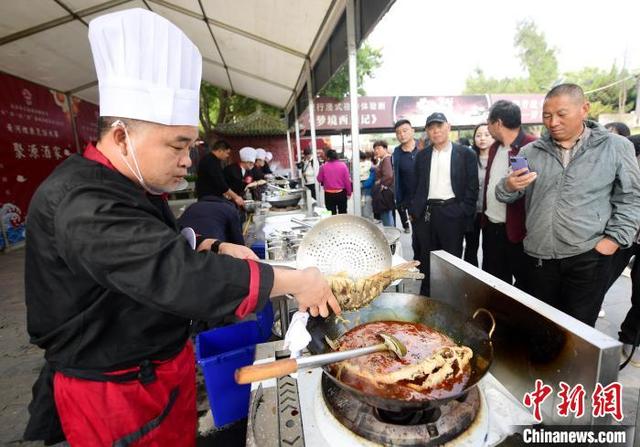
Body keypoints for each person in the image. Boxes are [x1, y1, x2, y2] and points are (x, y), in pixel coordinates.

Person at [22, 9, 340, 446]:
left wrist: (213, 247)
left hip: (156, 373)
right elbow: (174, 275)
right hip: (115, 394)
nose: (188, 160)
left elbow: (157, 246)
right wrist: (294, 281)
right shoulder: (82, 201)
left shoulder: (125, 184)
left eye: (190, 146)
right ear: (121, 137)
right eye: (176, 146)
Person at [496, 83, 640, 327]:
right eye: (547, 116)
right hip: (539, 257)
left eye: (561, 114)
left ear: (584, 109)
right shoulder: (532, 151)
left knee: (577, 333)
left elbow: (631, 198)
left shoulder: (616, 147)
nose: (553, 122)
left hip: (588, 258)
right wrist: (509, 186)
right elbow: (504, 194)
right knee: (539, 325)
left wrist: (613, 241)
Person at [411, 113, 479, 296]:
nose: (436, 131)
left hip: (452, 213)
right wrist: (414, 212)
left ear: (448, 127)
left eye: (439, 126)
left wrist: (463, 211)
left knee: (450, 262)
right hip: (426, 214)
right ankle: (426, 301)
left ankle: (450, 301)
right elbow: (416, 185)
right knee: (426, 260)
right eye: (431, 128)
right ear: (427, 132)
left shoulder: (466, 154)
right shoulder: (422, 156)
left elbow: (473, 187)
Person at [482, 101, 537, 288]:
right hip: (492, 228)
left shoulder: (530, 147)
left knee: (523, 285)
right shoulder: (494, 148)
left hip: (517, 232)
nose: (487, 127)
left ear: (497, 123)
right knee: (493, 282)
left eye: (488, 123)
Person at [603, 134, 640, 365]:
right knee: (597, 284)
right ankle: (582, 334)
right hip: (620, 235)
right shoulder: (629, 147)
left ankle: (630, 337)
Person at [463, 123, 494, 267]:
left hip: (491, 213)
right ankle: (471, 281)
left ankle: (488, 283)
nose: (482, 138)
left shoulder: (501, 157)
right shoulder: (468, 158)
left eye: (487, 135)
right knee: (471, 248)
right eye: (478, 135)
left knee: (490, 250)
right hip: (472, 212)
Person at [195, 139, 244, 207]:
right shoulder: (210, 161)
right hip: (208, 197)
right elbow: (221, 184)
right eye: (227, 153)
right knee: (230, 207)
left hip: (213, 195)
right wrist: (236, 197)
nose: (228, 156)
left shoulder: (213, 160)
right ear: (220, 150)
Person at [392, 119, 418, 234]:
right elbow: (398, 178)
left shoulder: (424, 147)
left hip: (428, 200)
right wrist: (399, 200)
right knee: (417, 236)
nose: (401, 135)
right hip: (411, 202)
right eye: (398, 132)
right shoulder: (397, 152)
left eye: (405, 131)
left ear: (412, 131)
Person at [317, 149, 351, 214]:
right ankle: (342, 224)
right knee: (343, 213)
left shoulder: (323, 167)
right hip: (341, 193)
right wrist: (349, 193)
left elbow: (319, 179)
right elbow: (347, 181)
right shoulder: (343, 165)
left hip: (328, 195)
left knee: (331, 215)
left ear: (327, 157)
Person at [372, 141, 395, 226]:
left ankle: (390, 237)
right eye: (375, 149)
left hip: (384, 193)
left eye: (378, 148)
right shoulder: (383, 159)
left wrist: (381, 183)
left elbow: (389, 175)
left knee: (386, 217)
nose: (376, 151)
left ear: (385, 149)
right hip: (385, 192)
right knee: (387, 216)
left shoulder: (386, 159)